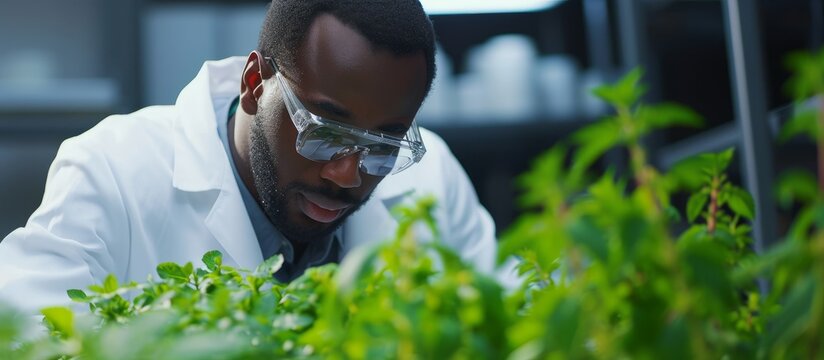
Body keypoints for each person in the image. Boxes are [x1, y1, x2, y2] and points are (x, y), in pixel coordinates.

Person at [0, 0, 512, 313]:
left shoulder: (432, 178)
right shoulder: (113, 170)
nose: (347, 174)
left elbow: (515, 320)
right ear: (253, 83)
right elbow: (24, 326)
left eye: (381, 146)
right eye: (324, 131)